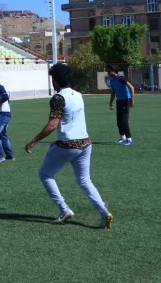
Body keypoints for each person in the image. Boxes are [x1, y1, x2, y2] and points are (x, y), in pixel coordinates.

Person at [25, 63, 113, 229]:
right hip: (86, 143)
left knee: (45, 174)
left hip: (68, 144)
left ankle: (64, 209)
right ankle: (104, 212)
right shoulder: (78, 95)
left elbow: (52, 125)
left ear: (56, 80)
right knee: (85, 180)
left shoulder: (58, 98)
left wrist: (34, 140)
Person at [107, 67, 136, 146]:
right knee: (119, 120)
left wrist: (132, 100)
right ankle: (123, 138)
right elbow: (113, 92)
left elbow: (131, 88)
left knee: (124, 121)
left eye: (109, 71)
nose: (108, 73)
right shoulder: (112, 80)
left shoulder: (121, 78)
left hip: (125, 101)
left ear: (114, 71)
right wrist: (110, 103)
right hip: (119, 101)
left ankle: (129, 139)